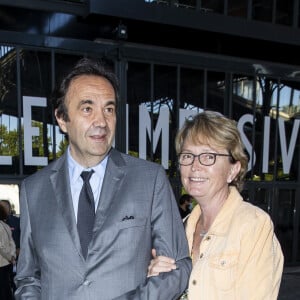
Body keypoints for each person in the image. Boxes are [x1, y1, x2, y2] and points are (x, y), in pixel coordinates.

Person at [15, 57, 192, 300]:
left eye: (109, 109)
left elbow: (179, 265)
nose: (101, 122)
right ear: (62, 118)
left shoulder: (149, 180)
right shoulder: (33, 190)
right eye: (87, 109)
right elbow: (28, 278)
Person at [148, 111, 284, 299]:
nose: (195, 166)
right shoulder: (182, 227)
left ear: (233, 170)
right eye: (187, 156)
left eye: (208, 156)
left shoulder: (253, 225)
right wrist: (156, 281)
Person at [0, 199, 20, 297]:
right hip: (5, 261)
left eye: (5, 207)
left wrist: (17, 251)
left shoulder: (16, 221)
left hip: (14, 259)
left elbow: (22, 238)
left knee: (14, 283)